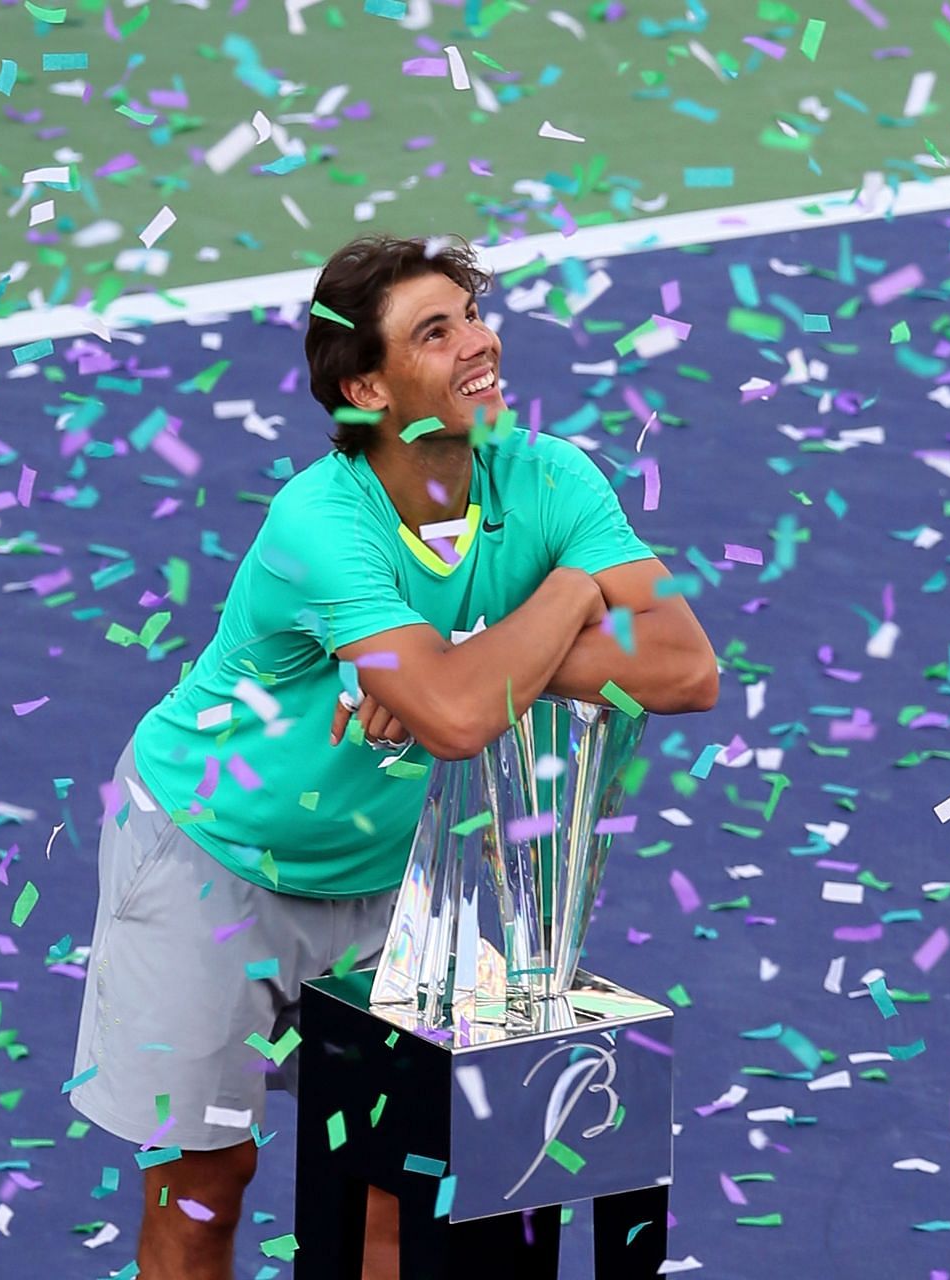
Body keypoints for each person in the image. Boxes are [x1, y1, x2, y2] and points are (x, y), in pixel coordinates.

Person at [68, 232, 719, 1280]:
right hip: (214, 858)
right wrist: (572, 593)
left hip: (397, 880)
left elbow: (687, 666)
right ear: (367, 386)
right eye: (436, 328)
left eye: (470, 313)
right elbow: (462, 722)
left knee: (396, 1180)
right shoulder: (322, 522)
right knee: (205, 1184)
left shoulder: (550, 476)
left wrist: (465, 659)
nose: (478, 342)